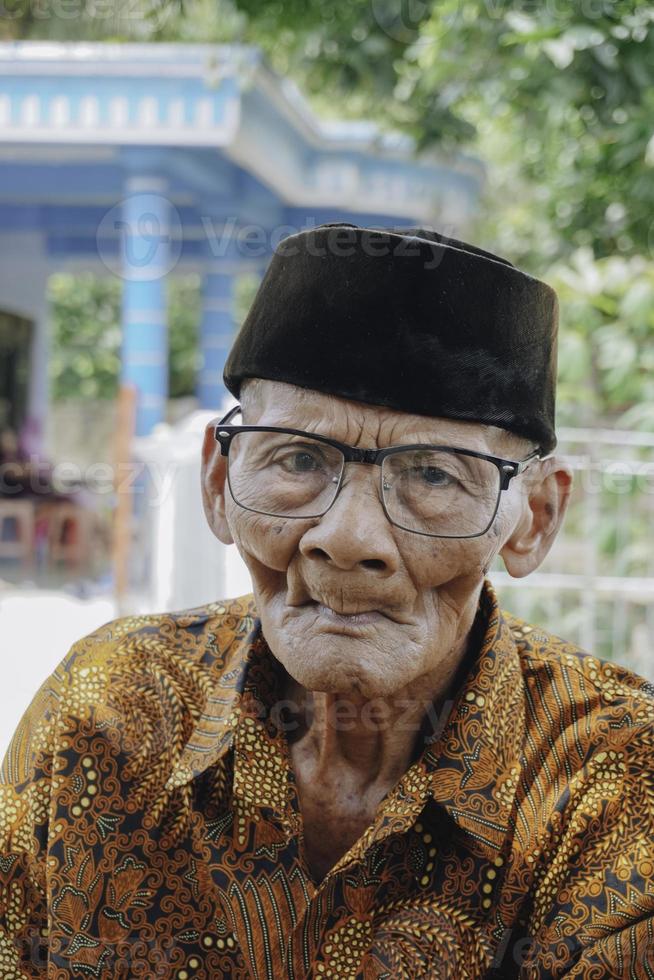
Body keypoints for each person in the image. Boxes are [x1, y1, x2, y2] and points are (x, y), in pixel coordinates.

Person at [1, 224, 652, 979]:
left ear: (533, 518)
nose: (347, 540)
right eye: (299, 459)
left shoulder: (616, 775)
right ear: (218, 482)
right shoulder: (109, 707)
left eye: (435, 476)